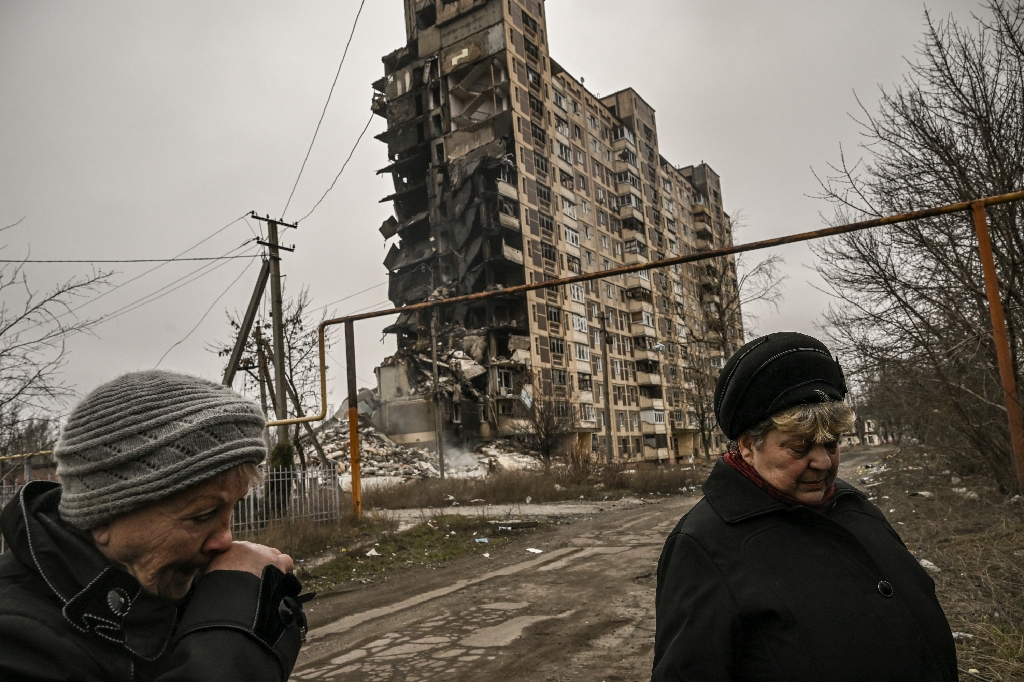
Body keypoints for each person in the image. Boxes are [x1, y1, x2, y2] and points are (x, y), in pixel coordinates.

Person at [652, 332, 957, 682]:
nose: (824, 462)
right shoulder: (703, 545)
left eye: (832, 444)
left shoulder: (852, 505)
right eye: (800, 448)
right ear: (749, 446)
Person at [0, 370, 309, 682]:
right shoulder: (16, 642)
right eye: (203, 514)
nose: (225, 540)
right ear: (103, 516)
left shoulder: (171, 587)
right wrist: (235, 633)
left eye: (233, 508)